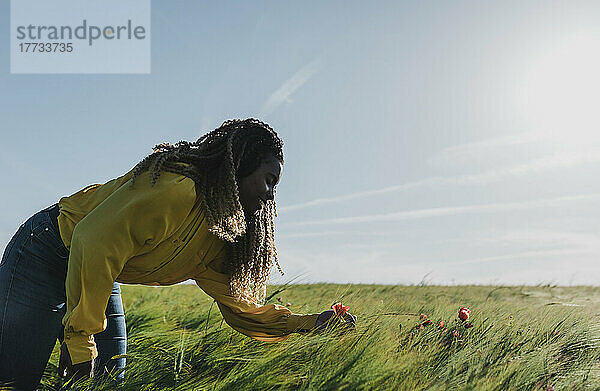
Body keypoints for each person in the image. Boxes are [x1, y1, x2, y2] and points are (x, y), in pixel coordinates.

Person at [0, 118, 356, 390]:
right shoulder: (179, 189)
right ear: (241, 165)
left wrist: (312, 323)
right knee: (16, 380)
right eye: (268, 180)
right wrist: (80, 340)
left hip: (101, 270)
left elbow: (241, 310)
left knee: (109, 377)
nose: (269, 196)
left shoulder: (218, 235)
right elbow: (93, 240)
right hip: (47, 249)